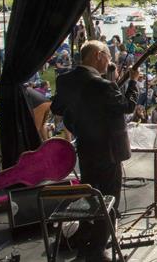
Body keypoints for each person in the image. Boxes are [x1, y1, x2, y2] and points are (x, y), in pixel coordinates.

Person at [51, 40, 138, 262]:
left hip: (86, 149)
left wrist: (78, 123)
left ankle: (84, 239)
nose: (109, 61)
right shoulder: (102, 85)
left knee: (90, 196)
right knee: (109, 199)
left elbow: (58, 108)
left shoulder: (65, 80)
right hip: (109, 151)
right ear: (98, 55)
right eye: (108, 56)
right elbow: (126, 107)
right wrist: (134, 83)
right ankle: (97, 249)